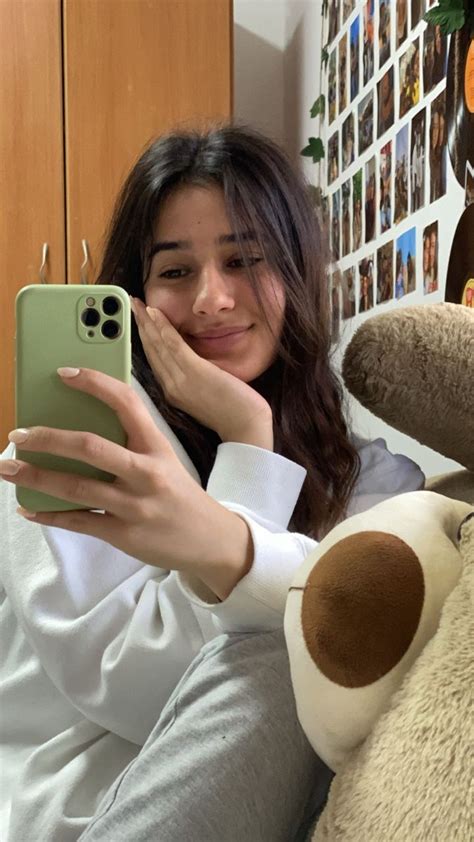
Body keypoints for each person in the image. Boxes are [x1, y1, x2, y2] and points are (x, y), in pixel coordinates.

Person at [0, 124, 425, 842]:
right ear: (133, 293)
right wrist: (248, 448)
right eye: (174, 272)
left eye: (244, 259)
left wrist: (236, 496)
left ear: (295, 269)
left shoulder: (370, 475)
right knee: (282, 655)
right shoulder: (64, 452)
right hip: (81, 817)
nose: (211, 300)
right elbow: (136, 694)